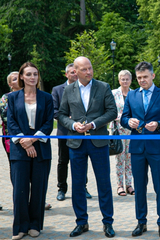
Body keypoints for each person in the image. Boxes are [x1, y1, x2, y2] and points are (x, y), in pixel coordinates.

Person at [58, 56, 117, 238]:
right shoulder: (68, 90)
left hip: (98, 141)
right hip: (76, 143)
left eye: (90, 68)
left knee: (104, 184)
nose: (89, 72)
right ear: (75, 71)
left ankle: (107, 223)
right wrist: (73, 125)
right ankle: (81, 222)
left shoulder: (103, 86)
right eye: (84, 69)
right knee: (77, 185)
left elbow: (112, 111)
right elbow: (61, 114)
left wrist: (92, 124)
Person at [121, 62, 160, 238]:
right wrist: (128, 122)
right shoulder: (131, 96)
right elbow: (124, 118)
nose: (142, 80)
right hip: (137, 148)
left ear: (152, 76)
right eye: (138, 78)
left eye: (145, 77)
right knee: (139, 187)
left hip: (158, 148)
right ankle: (141, 222)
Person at [7, 62, 54, 239]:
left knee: (38, 189)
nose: (32, 77)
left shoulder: (46, 97)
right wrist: (25, 143)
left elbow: (49, 123)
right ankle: (20, 227)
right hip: (19, 150)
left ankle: (35, 224)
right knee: (19, 189)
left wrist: (33, 139)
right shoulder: (13, 98)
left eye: (35, 74)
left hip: (41, 148)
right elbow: (10, 122)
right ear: (21, 77)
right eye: (28, 74)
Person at [52, 63, 92, 201]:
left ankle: (83, 187)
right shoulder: (57, 90)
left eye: (76, 72)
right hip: (65, 132)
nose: (74, 74)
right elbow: (55, 111)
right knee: (63, 161)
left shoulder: (84, 88)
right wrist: (69, 120)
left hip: (81, 132)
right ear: (66, 74)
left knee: (82, 161)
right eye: (71, 72)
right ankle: (61, 189)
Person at [111, 70, 134, 196]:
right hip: (118, 130)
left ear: (130, 80)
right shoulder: (114, 93)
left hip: (131, 130)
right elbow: (110, 110)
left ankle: (129, 184)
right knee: (120, 157)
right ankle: (120, 185)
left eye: (127, 79)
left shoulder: (134, 93)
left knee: (130, 158)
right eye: (122, 79)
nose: (125, 81)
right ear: (119, 80)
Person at [0, 72, 21, 161]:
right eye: (15, 79)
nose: (18, 80)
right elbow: (5, 117)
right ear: (10, 85)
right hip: (12, 136)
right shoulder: (6, 97)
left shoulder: (31, 95)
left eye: (20, 77)